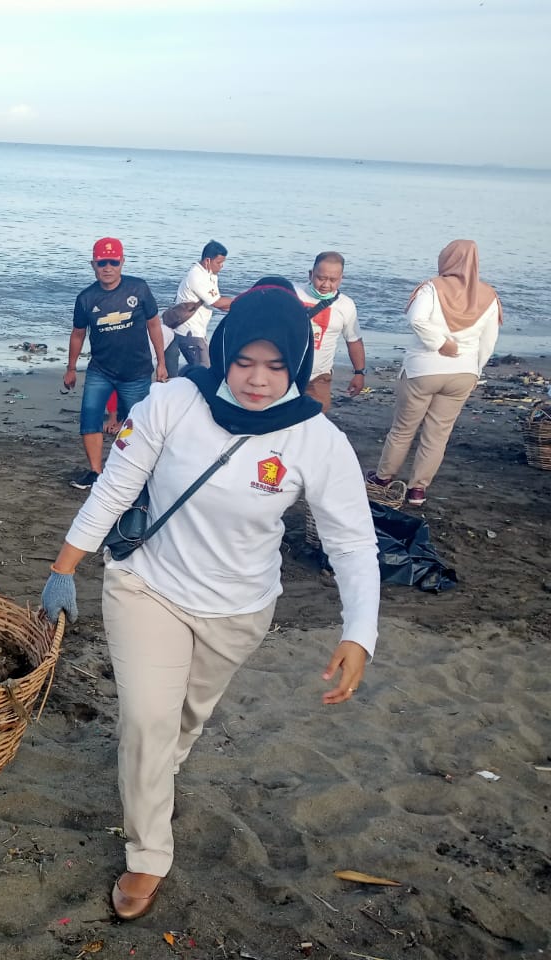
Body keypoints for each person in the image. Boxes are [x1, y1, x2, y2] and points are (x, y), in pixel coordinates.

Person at [39, 283, 380, 921]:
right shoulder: (173, 400)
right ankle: (147, 855)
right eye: (245, 362)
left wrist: (360, 631)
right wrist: (65, 567)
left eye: (276, 366)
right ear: (224, 351)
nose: (257, 380)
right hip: (148, 587)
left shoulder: (316, 439)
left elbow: (354, 544)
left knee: (184, 723)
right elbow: (116, 487)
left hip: (240, 610)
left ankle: (164, 766)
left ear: (298, 365)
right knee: (146, 721)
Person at [368, 239, 501, 507]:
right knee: (438, 433)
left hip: (424, 369)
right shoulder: (488, 296)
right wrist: (475, 370)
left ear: (448, 259)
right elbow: (489, 341)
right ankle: (418, 490)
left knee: (404, 428)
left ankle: (383, 479)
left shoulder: (431, 288)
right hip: (463, 372)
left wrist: (440, 343)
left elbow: (416, 319)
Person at [64, 237, 168, 489]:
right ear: (93, 264)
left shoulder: (139, 289)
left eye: (113, 262)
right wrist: (70, 368)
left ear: (122, 262)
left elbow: (154, 325)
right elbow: (78, 334)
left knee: (138, 426)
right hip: (101, 370)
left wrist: (161, 363)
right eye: (102, 262)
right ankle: (95, 472)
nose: (107, 267)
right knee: (90, 418)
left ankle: (135, 472)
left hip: (136, 371)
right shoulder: (86, 298)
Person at [293, 252, 365, 413]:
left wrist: (359, 372)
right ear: (311, 274)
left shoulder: (346, 305)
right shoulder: (293, 293)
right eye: (321, 278)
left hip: (319, 378)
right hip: (286, 372)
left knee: (315, 421)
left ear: (341, 278)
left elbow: (353, 340)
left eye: (333, 280)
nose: (326, 284)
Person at [169, 240, 234, 368]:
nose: (222, 266)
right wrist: (245, 300)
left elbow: (220, 304)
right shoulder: (197, 276)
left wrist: (239, 308)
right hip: (190, 333)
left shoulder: (210, 274)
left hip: (197, 331)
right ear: (207, 261)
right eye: (219, 262)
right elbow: (217, 302)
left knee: (202, 370)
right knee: (204, 371)